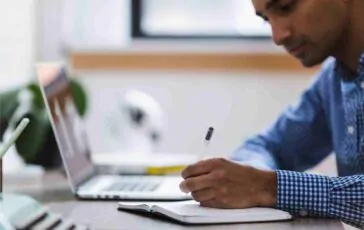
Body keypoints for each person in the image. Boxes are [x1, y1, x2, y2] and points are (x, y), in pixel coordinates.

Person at [179, 0, 364, 228]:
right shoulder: (333, 80)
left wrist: (267, 187)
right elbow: (268, 146)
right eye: (266, 19)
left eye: (286, 7)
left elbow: (265, 182)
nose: (277, 37)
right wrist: (245, 179)